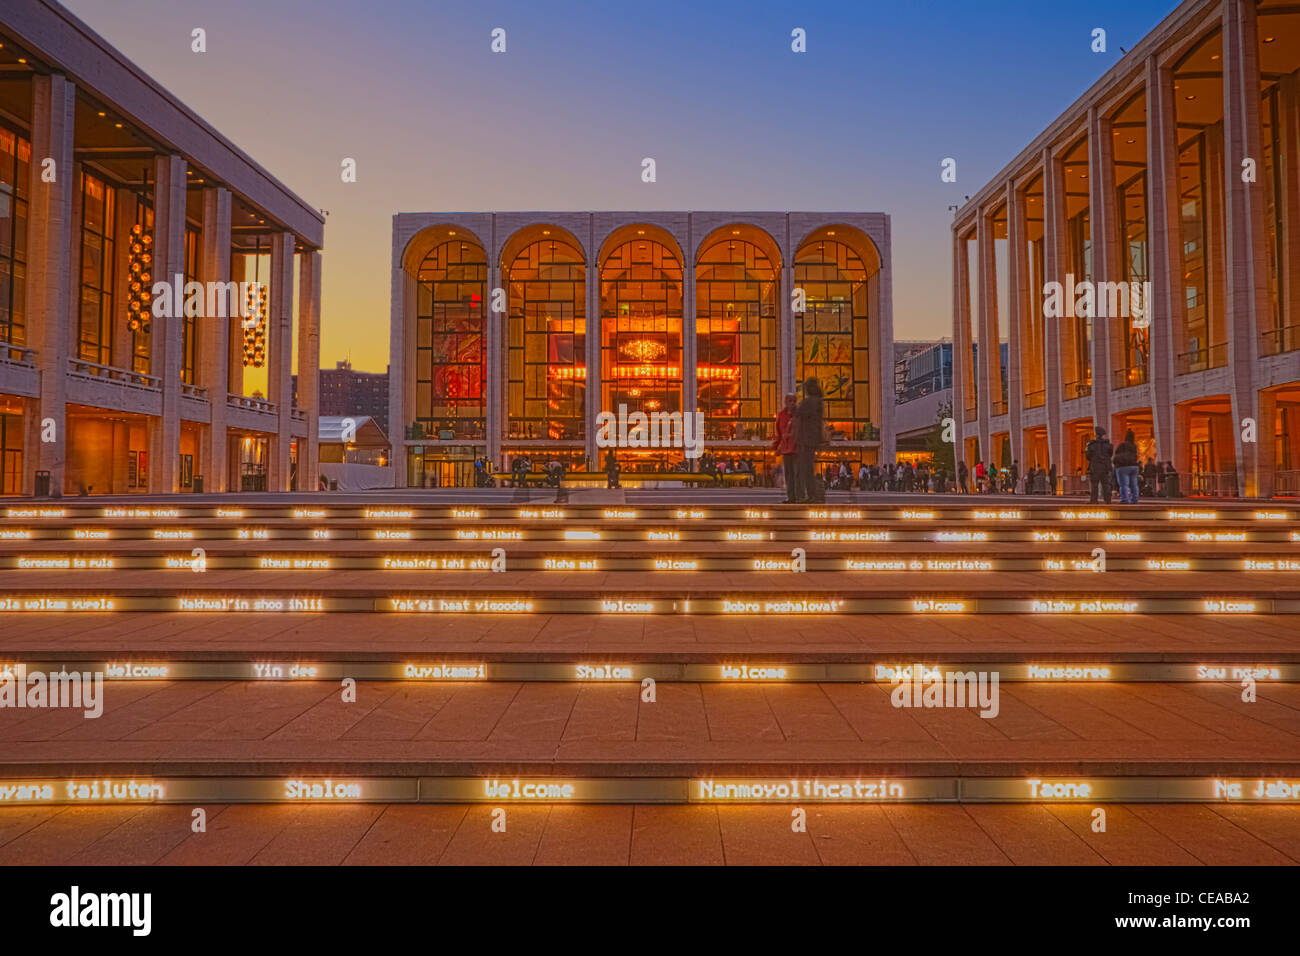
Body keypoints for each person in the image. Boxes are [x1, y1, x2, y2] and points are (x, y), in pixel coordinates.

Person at [794, 377, 825, 503]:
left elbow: (797, 412)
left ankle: (810, 494)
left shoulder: (809, 402)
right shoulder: (819, 401)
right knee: (808, 467)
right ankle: (811, 494)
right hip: (813, 438)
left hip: (806, 438)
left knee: (805, 468)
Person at [1085, 427, 1114, 504]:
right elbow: (1110, 454)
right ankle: (1108, 500)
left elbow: (1088, 456)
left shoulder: (1091, 445)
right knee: (1106, 484)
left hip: (1095, 467)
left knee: (1094, 484)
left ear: (1096, 435)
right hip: (1105, 467)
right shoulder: (1109, 445)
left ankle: (1094, 500)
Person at [1114, 429, 1140, 504]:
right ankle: (1135, 499)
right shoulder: (1134, 446)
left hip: (1123, 467)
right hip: (1134, 466)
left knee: (1124, 485)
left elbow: (1116, 453)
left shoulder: (1122, 445)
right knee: (1134, 485)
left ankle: (1125, 499)